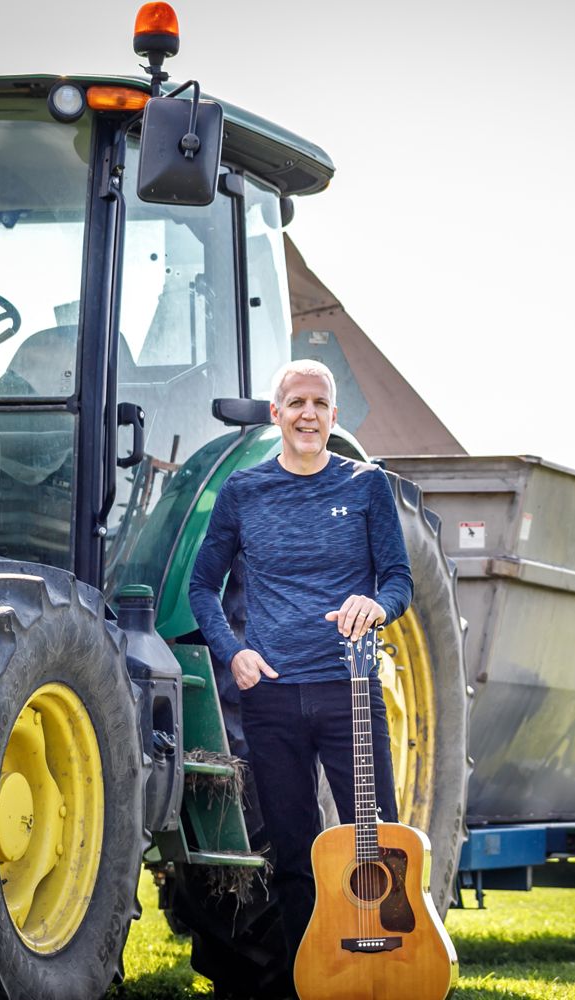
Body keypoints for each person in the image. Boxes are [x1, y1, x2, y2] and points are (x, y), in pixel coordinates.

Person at [188, 358, 413, 981]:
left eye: (318, 404)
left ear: (333, 416)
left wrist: (379, 605)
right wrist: (233, 652)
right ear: (276, 414)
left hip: (350, 693)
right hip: (273, 698)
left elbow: (398, 579)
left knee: (380, 844)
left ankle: (388, 975)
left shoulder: (367, 486)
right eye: (296, 403)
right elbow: (203, 587)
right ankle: (307, 980)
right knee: (292, 857)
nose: (307, 414)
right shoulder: (243, 492)